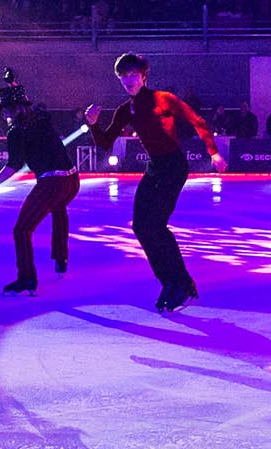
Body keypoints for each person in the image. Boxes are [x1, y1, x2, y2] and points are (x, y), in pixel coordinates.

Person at [85, 53, 226, 313]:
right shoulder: (125, 110)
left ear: (143, 76)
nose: (128, 80)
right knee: (141, 226)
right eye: (123, 76)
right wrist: (94, 125)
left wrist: (214, 153)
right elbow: (105, 143)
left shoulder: (163, 99)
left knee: (156, 225)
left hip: (173, 166)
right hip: (154, 168)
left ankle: (182, 283)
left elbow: (198, 121)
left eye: (133, 75)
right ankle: (170, 282)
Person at [0, 68, 81, 298]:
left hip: (52, 183)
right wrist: (14, 85)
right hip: (72, 180)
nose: (2, 114)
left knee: (22, 230)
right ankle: (61, 258)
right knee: (59, 209)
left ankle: (27, 279)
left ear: (12, 109)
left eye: (4, 109)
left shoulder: (16, 132)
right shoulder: (41, 118)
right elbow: (27, 104)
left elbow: (12, 166)